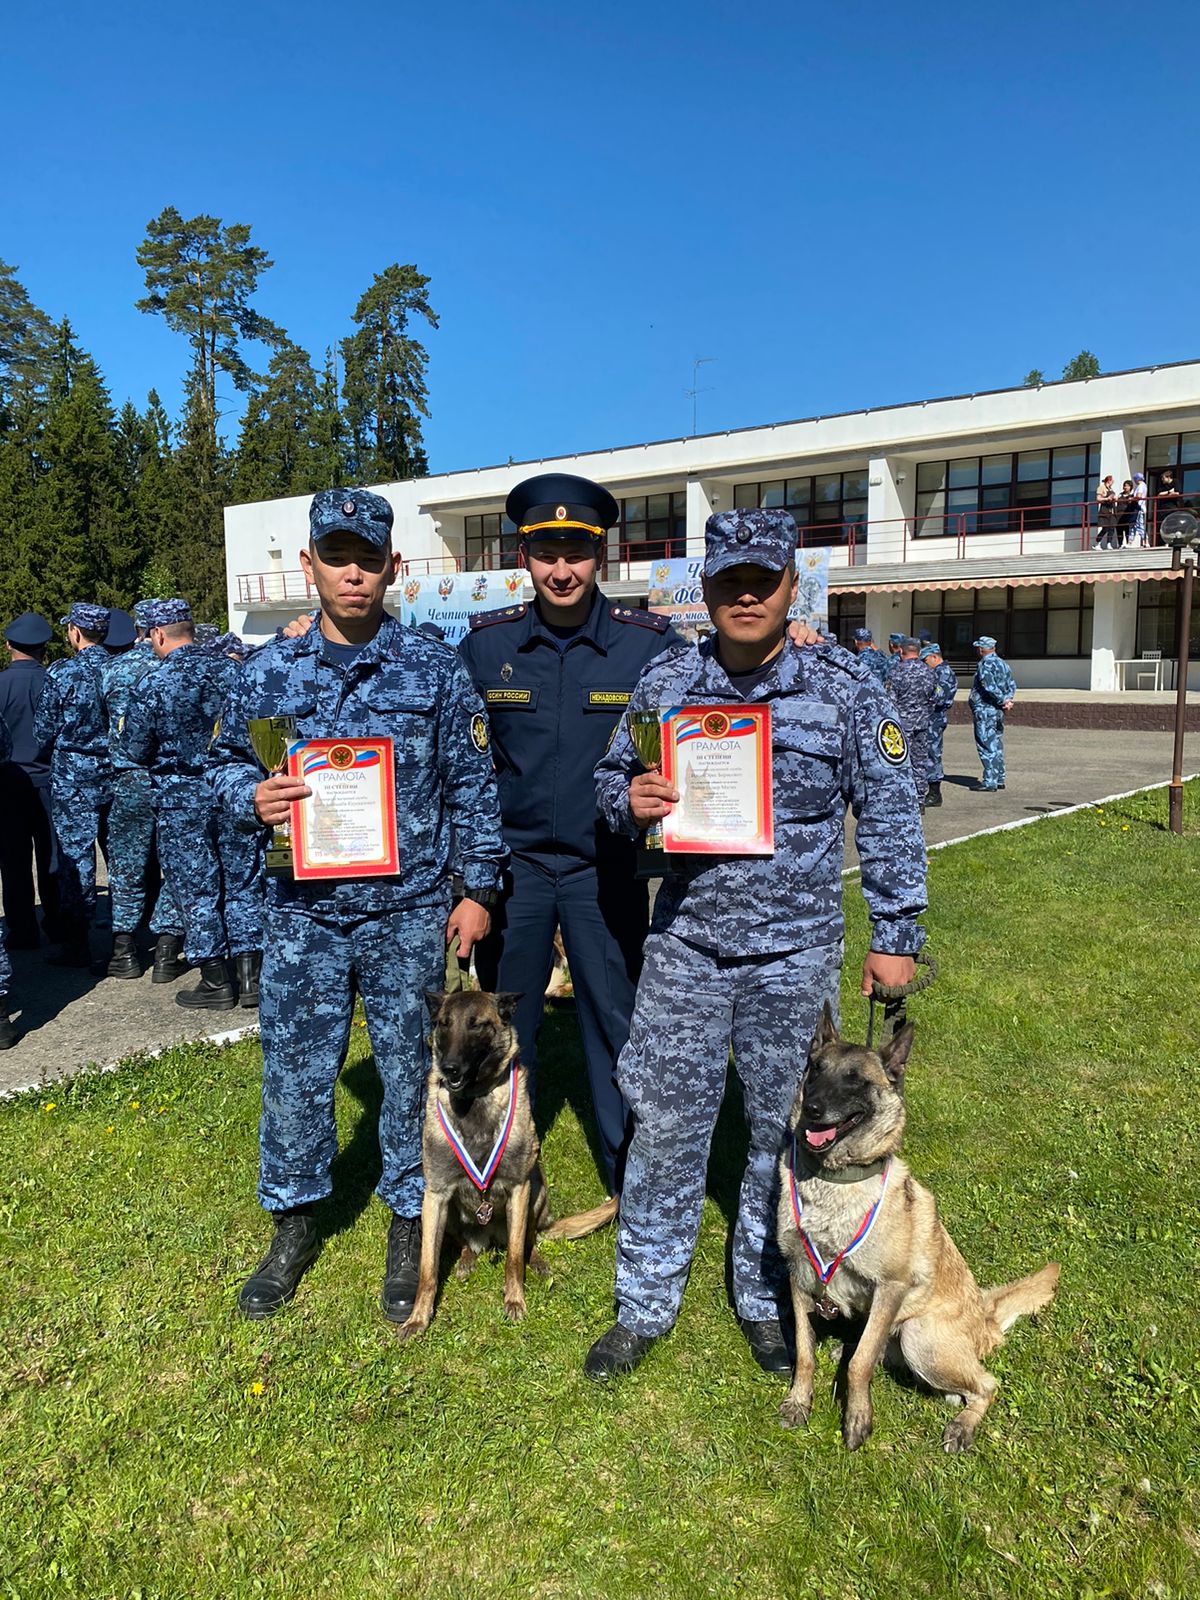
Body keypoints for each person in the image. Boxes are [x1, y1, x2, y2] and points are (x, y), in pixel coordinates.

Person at [585, 508, 927, 1380]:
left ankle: (767, 1296)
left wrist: (897, 933)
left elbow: (889, 814)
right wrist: (634, 804)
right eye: (729, 579)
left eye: (762, 580)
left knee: (785, 1130)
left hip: (795, 957)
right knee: (664, 1122)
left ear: (789, 586)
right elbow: (606, 779)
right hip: (688, 947)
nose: (746, 594)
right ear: (704, 588)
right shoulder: (667, 684)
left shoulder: (845, 689)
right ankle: (645, 1302)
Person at [208, 488, 506, 1323]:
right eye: (335, 556)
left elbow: (473, 784)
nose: (352, 573)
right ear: (308, 565)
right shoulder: (266, 674)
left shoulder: (433, 670)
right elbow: (224, 767)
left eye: (368, 558)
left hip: (407, 910)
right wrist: (250, 797)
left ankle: (411, 1223)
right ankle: (294, 1221)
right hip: (302, 911)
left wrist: (477, 889)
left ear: (393, 568)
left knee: (416, 1070)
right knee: (297, 1072)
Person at [456, 472, 686, 1196]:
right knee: (498, 1030)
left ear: (601, 556)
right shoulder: (485, 647)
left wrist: (801, 638)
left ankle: (630, 1182)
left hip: (604, 869)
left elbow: (724, 683)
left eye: (577, 552)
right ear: (522, 556)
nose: (562, 570)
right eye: (545, 552)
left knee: (619, 1027)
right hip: (516, 875)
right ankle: (491, 1179)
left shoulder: (647, 645)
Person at [120, 600, 264, 1010]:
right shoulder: (236, 672)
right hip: (235, 792)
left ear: (159, 635)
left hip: (182, 801)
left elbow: (134, 747)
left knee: (196, 888)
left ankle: (216, 980)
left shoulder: (153, 683)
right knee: (243, 880)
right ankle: (250, 977)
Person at [99, 601, 187, 981]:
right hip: (176, 779)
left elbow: (109, 726)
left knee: (127, 866)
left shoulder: (113, 669)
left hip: (131, 779)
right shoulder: (181, 669)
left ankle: (125, 950)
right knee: (178, 863)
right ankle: (167, 949)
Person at [32, 602, 114, 967]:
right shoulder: (120, 668)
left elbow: (42, 730)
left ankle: (77, 942)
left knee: (76, 859)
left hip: (73, 773)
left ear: (75, 632)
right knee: (121, 859)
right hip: (115, 770)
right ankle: (125, 941)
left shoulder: (62, 673)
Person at [0, 611, 61, 949]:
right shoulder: (53, 682)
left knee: (14, 859)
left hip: (8, 781)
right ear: (44, 648)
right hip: (49, 778)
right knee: (52, 857)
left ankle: (22, 931)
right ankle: (57, 925)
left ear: (8, 645)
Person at [888, 636, 938, 809]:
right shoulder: (929, 671)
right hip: (922, 723)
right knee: (919, 761)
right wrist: (924, 714)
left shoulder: (897, 671)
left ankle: (904, 799)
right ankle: (919, 799)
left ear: (901, 652)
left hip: (902, 724)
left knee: (900, 761)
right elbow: (934, 699)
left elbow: (890, 701)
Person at [969, 635, 1016, 792]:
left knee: (986, 744)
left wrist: (1003, 700)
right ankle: (999, 778)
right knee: (996, 743)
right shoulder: (1003, 664)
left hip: (985, 709)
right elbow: (1011, 685)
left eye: (978, 648)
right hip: (998, 711)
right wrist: (1007, 700)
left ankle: (990, 781)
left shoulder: (986, 664)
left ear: (981, 649)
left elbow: (989, 686)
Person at [921, 642, 958, 806]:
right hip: (930, 717)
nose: (924, 663)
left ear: (934, 657)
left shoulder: (943, 673)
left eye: (926, 660)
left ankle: (935, 793)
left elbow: (939, 697)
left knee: (932, 753)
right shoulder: (936, 672)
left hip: (934, 718)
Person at [1095, 475, 1119, 550]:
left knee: (1112, 527)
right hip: (1105, 509)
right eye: (1112, 481)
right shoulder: (1101, 488)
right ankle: (1098, 543)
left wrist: (1115, 498)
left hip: (1111, 510)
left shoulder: (1110, 488)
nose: (1113, 482)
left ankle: (1109, 543)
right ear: (1109, 481)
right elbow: (1098, 499)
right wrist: (1107, 498)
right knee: (1105, 528)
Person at [1130, 472, 1149, 548]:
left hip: (1139, 507)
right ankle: (1131, 542)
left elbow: (1139, 496)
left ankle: (1146, 541)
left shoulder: (1141, 486)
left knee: (1139, 525)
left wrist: (1132, 498)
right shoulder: (1144, 485)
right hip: (1141, 507)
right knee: (1136, 524)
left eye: (1135, 479)